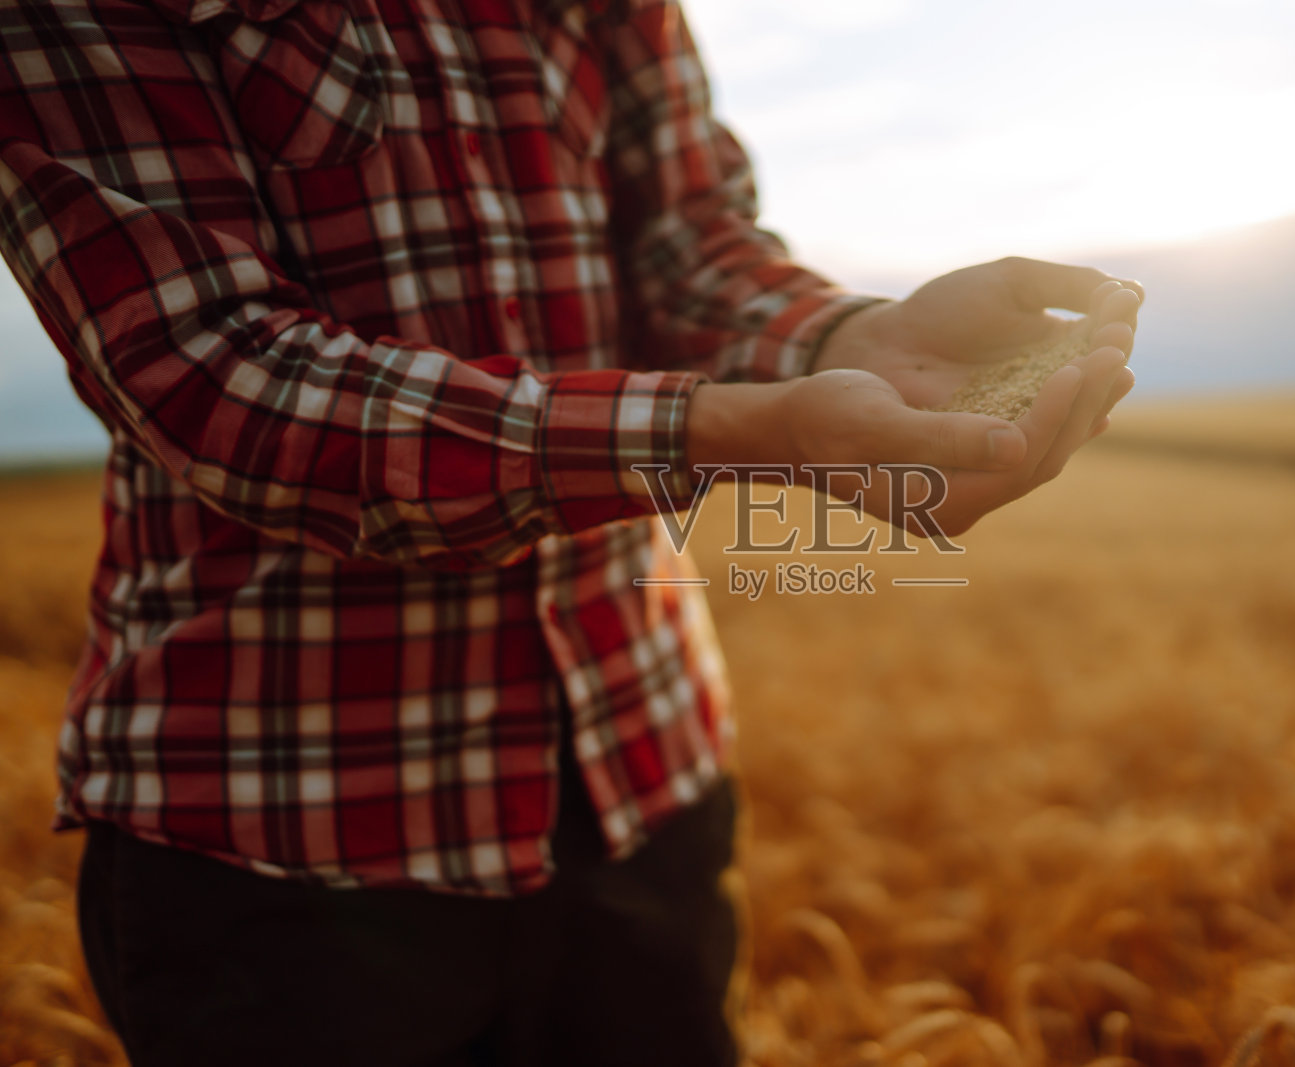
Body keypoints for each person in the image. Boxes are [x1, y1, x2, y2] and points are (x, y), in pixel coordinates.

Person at [0, 0, 1141, 1062]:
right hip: (281, 835)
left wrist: (850, 341)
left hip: (636, 768)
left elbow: (688, 244)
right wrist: (723, 430)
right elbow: (224, 378)